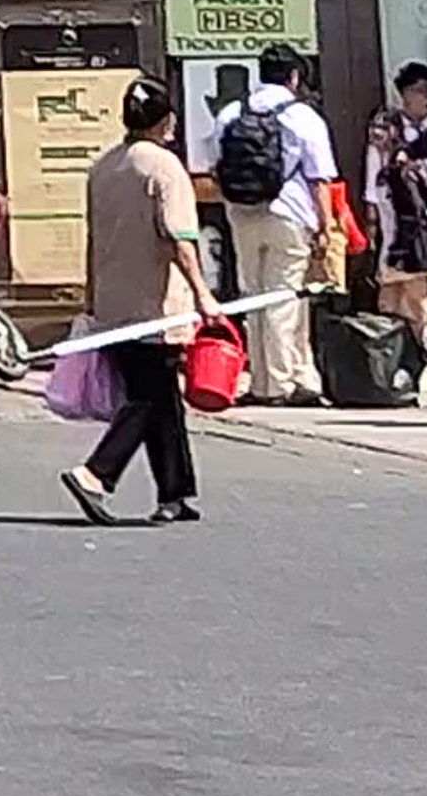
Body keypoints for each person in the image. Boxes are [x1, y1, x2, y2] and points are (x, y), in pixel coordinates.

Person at [61, 75, 220, 529]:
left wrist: (91, 298)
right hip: (157, 305)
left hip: (113, 302)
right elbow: (179, 238)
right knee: (149, 397)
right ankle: (96, 473)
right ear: (167, 121)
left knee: (161, 399)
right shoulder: (164, 168)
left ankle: (176, 493)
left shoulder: (104, 167)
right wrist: (204, 294)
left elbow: (94, 239)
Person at [211, 43, 327, 405]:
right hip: (289, 214)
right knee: (282, 297)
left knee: (253, 295)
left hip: (242, 213)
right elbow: (320, 178)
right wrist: (324, 227)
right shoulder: (304, 117)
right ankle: (279, 384)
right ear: (294, 77)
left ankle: (259, 380)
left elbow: (215, 167)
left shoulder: (231, 112)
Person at [365, 62, 427, 370]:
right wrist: (372, 219)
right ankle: (395, 359)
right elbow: (373, 178)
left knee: (425, 290)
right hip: (397, 217)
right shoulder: (388, 127)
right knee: (393, 294)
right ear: (404, 94)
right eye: (420, 91)